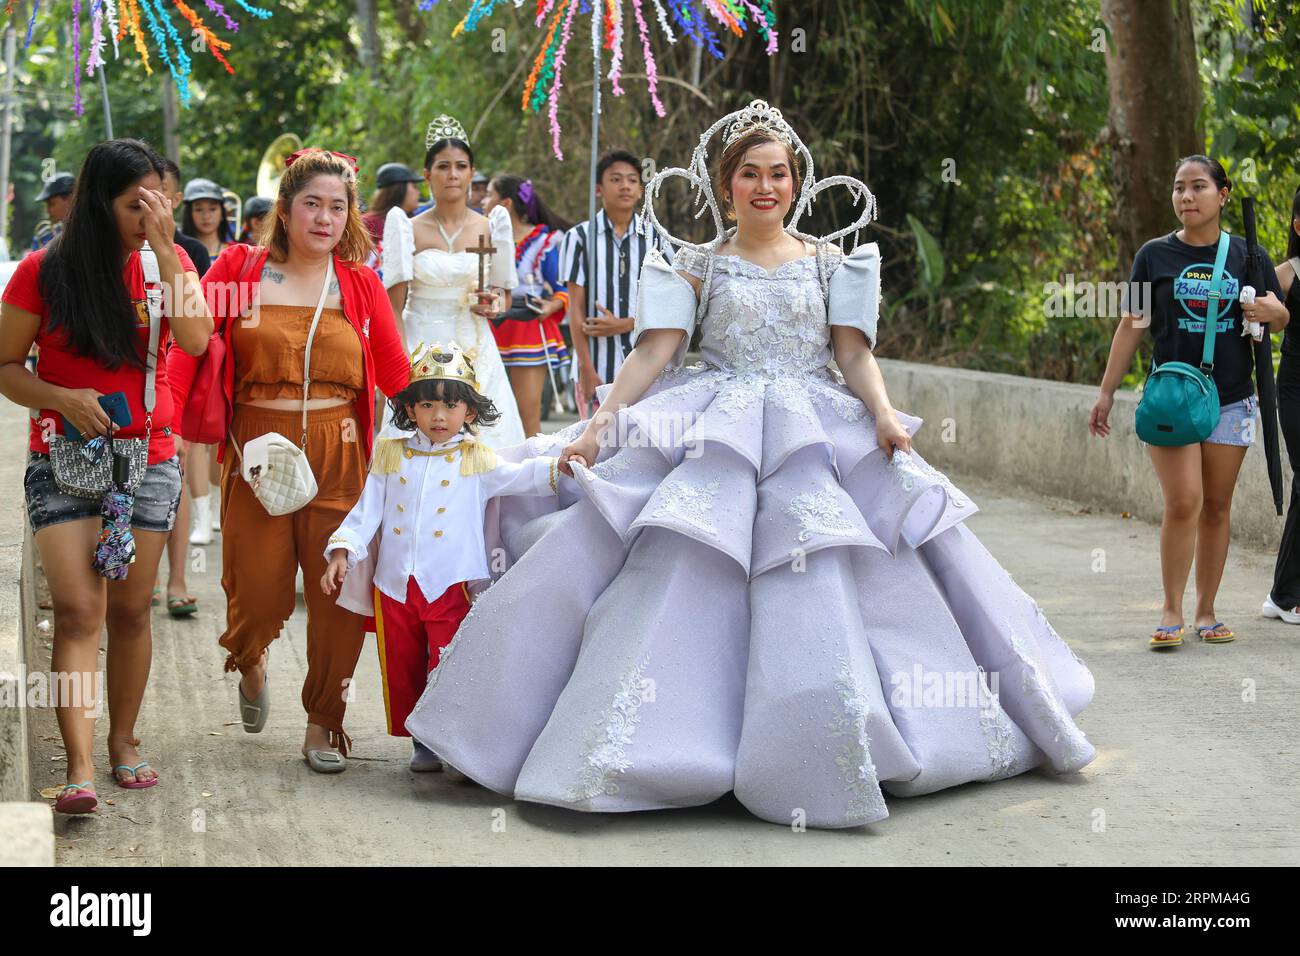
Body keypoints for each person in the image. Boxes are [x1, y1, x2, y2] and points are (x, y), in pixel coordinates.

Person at [405, 100, 1095, 828]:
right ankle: (665, 743)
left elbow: (853, 352)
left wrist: (886, 416)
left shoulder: (836, 261)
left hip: (814, 425)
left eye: (779, 174)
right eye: (748, 175)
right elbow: (652, 352)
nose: (765, 187)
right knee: (665, 565)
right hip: (717, 423)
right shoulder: (694, 263)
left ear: (797, 183)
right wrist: (597, 428)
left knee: (846, 567)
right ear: (724, 184)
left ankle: (840, 738)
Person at [169, 147, 410, 773]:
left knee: (337, 593)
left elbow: (395, 373)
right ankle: (250, 662)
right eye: (312, 204)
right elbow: (188, 348)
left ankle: (323, 721)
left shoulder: (359, 283)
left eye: (338, 206)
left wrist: (442, 431)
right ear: (285, 209)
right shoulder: (240, 267)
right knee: (255, 590)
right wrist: (160, 422)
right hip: (258, 452)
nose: (325, 218)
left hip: (340, 452)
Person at [0, 138, 212, 812]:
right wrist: (62, 399)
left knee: (127, 610)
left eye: (158, 199)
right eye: (133, 204)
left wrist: (168, 248)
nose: (149, 212)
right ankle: (81, 766)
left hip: (147, 458)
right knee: (78, 609)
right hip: (64, 457)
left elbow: (201, 339)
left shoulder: (166, 265)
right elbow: (6, 366)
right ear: (98, 203)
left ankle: (123, 740)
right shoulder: (41, 271)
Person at [321, 343, 560, 772]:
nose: (438, 415)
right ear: (410, 409)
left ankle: (449, 738)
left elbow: (523, 477)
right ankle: (421, 740)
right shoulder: (391, 454)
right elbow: (366, 513)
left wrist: (561, 467)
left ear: (469, 412)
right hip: (394, 584)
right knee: (404, 667)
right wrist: (343, 549)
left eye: (450, 405)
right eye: (426, 404)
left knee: (446, 662)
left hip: (450, 584)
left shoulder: (477, 459)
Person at [1091, 155, 1288, 648]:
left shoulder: (1249, 255)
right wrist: (1106, 391)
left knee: (1217, 507)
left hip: (1233, 399)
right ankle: (1170, 609)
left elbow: (1277, 316)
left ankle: (1206, 611)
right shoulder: (1154, 255)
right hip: (1173, 397)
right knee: (1184, 501)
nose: (1186, 196)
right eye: (1179, 188)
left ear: (1222, 195)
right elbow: (1132, 323)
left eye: (1198, 187)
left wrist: (1273, 311)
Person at [380, 114, 525, 450]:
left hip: (476, 344)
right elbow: (393, 308)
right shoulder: (408, 228)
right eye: (443, 166)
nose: (453, 174)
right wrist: (402, 368)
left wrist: (494, 305)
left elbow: (503, 295)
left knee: (485, 445)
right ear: (428, 174)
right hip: (421, 343)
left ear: (472, 174)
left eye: (461, 166)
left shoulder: (491, 226)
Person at [561, 149, 672, 416]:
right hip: (596, 367)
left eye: (632, 180)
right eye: (616, 179)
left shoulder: (657, 238)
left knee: (642, 448)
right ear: (599, 189)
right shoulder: (578, 238)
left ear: (641, 190)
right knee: (595, 447)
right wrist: (586, 369)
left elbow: (672, 303)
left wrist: (626, 324)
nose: (625, 186)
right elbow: (575, 308)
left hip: (648, 368)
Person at [154, 157, 211, 618]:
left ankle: (176, 580)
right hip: (130, 388)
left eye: (161, 194)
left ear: (174, 199)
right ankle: (141, 578)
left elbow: (198, 334)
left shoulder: (187, 251)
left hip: (178, 373)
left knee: (171, 480)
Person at [483, 175, 571, 437]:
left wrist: (549, 307)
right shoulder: (480, 234)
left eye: (489, 194)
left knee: (527, 416)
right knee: (485, 412)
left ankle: (531, 473)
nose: (483, 200)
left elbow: (562, 289)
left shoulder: (543, 241)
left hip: (526, 329)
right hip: (486, 326)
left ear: (505, 203)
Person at [180, 176, 236, 544]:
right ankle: (200, 515)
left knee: (222, 431)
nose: (205, 215)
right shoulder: (178, 251)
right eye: (198, 208)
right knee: (193, 435)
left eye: (211, 207)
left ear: (222, 211)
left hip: (228, 347)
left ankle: (216, 507)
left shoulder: (238, 251)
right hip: (193, 346)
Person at [1263, 186, 1300, 623]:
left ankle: (1280, 593)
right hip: (1294, 390)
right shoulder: (1287, 273)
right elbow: (1257, 320)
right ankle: (1285, 595)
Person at [31, 172, 76, 251]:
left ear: (71, 198)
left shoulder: (91, 230)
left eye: (51, 204)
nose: (47, 210)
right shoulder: (43, 237)